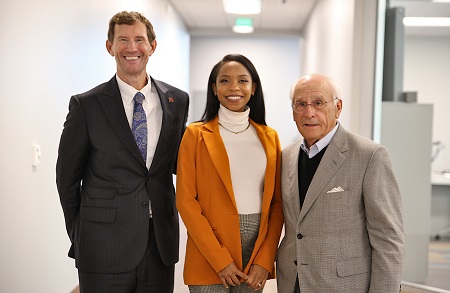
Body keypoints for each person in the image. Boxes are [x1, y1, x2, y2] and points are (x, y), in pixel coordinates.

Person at [56, 11, 189, 293]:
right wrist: (81, 235)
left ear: (152, 47)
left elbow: (179, 163)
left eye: (139, 39)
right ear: (110, 47)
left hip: (159, 244)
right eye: (123, 40)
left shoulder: (177, 101)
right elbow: (66, 180)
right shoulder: (86, 106)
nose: (132, 47)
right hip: (102, 245)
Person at [276, 73, 404, 293]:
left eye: (318, 103)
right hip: (292, 282)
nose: (309, 113)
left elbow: (388, 239)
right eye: (301, 104)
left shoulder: (369, 156)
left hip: (343, 285)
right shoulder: (286, 156)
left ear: (338, 108)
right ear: (293, 111)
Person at [176, 54, 284, 292]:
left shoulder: (270, 137)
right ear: (214, 88)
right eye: (224, 81)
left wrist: (265, 260)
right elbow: (186, 201)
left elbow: (277, 204)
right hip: (208, 251)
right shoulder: (195, 135)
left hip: (255, 250)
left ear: (253, 88)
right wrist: (220, 260)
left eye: (243, 81)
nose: (234, 87)